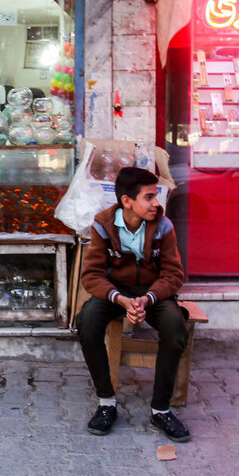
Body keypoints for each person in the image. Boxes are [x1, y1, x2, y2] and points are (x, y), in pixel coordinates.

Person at [75, 166, 191, 442]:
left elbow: (173, 275)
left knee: (176, 330)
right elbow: (90, 276)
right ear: (127, 201)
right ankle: (106, 405)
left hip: (153, 293)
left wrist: (147, 299)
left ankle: (160, 410)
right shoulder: (103, 225)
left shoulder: (164, 226)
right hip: (116, 293)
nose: (156, 204)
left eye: (156, 196)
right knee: (86, 322)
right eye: (149, 197)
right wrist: (121, 299)